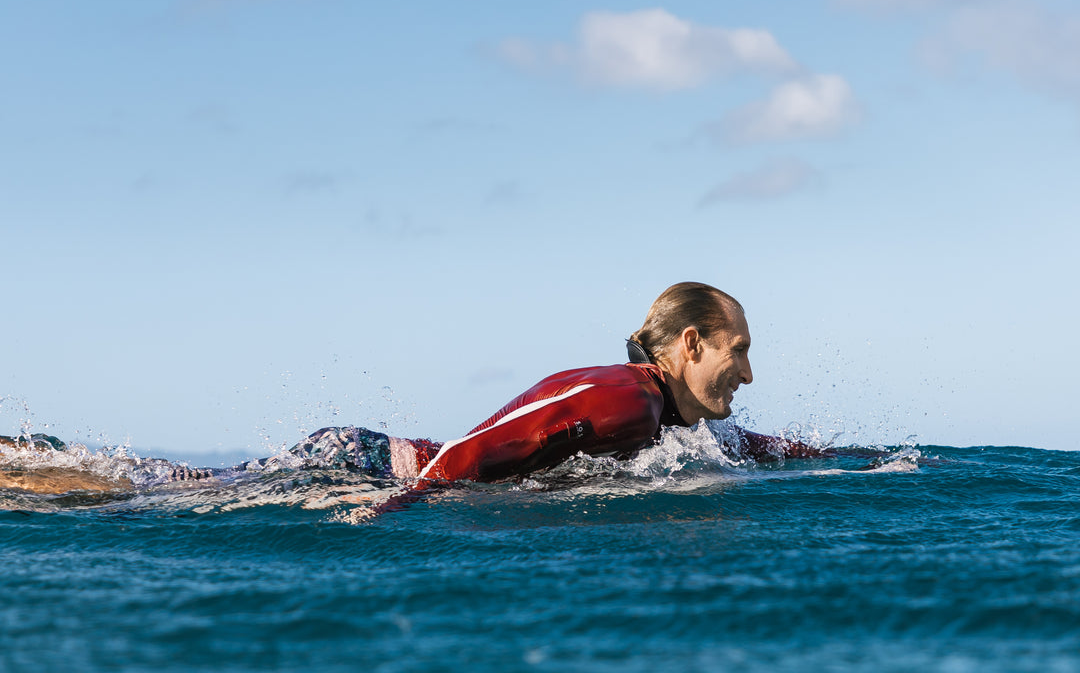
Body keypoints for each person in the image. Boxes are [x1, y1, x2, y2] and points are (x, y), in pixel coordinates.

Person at [0, 283, 824, 497]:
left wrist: (846, 458)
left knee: (172, 486)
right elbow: (490, 444)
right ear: (689, 345)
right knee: (151, 498)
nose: (748, 374)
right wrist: (405, 502)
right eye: (737, 352)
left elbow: (746, 446)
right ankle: (21, 469)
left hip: (394, 470)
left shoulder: (672, 415)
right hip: (369, 469)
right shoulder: (625, 398)